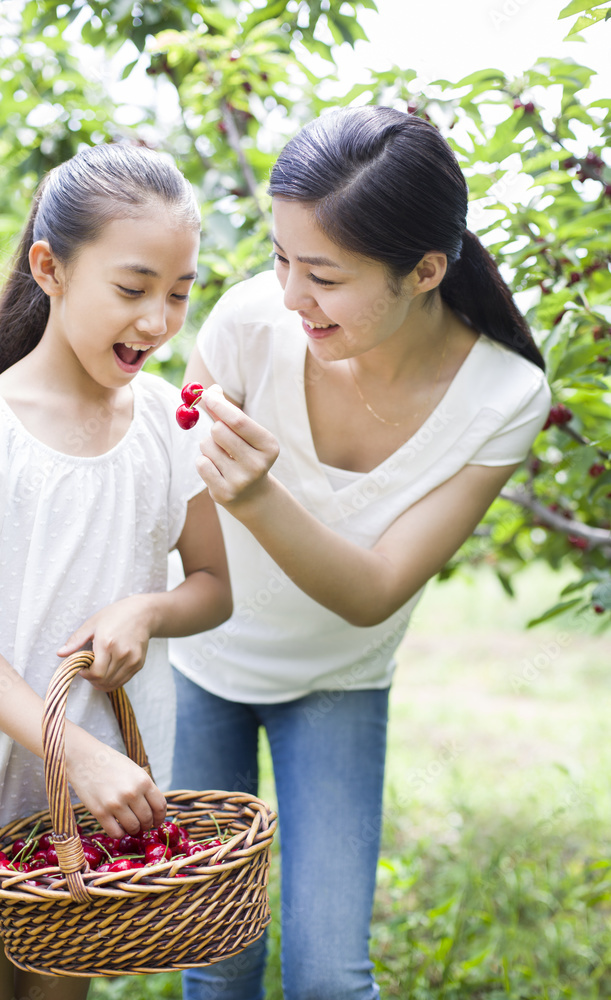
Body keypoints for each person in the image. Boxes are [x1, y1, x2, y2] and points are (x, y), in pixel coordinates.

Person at [169, 106, 551, 999]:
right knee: (215, 966)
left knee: (328, 980)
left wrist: (258, 495)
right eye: (280, 259)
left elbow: (374, 589)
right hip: (200, 659)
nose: (291, 294)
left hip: (339, 678)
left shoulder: (503, 395)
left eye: (325, 276)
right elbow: (168, 475)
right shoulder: (251, 323)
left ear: (425, 270)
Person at [0, 141, 231, 1000]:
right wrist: (80, 757)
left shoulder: (168, 423)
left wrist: (147, 610)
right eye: (133, 289)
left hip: (97, 820)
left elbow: (213, 586)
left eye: (179, 293)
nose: (157, 321)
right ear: (50, 267)